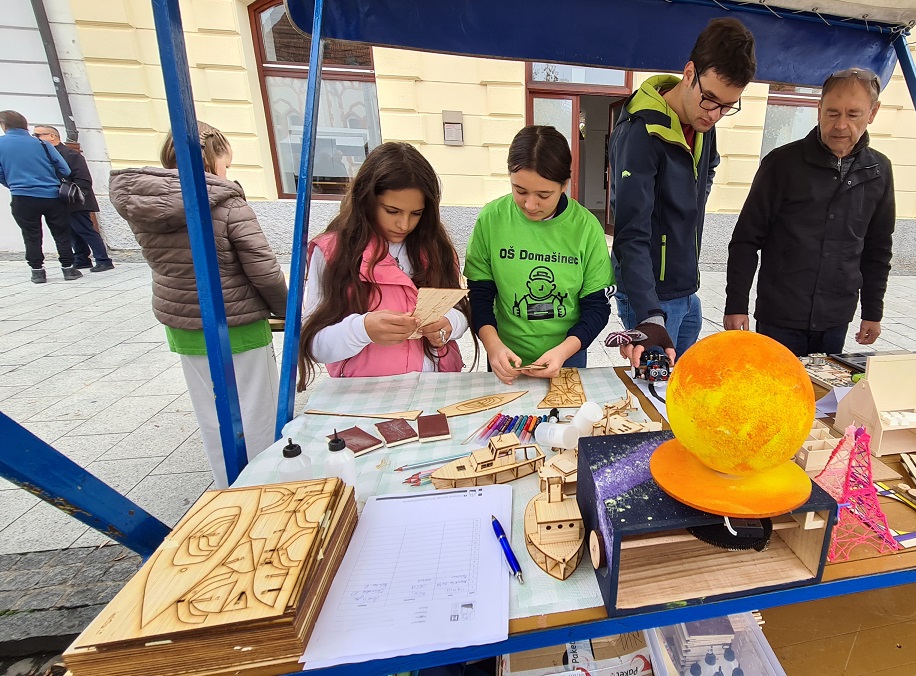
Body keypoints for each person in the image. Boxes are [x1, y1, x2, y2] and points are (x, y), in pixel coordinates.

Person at [109, 121, 288, 488]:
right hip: (236, 322)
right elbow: (263, 268)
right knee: (259, 411)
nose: (227, 173)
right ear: (212, 161)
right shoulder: (227, 202)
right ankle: (267, 486)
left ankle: (228, 486)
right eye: (226, 164)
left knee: (212, 415)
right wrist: (286, 309)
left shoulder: (141, 203)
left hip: (183, 323)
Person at [608, 18, 756, 366]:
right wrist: (649, 314)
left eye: (728, 106)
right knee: (656, 389)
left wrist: (691, 204)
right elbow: (630, 235)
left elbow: (710, 165)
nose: (716, 114)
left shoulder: (704, 122)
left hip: (686, 287)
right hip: (651, 294)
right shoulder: (641, 132)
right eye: (711, 99)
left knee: (686, 383)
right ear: (690, 73)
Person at [724, 67, 895, 357]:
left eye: (853, 114)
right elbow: (746, 240)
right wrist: (736, 305)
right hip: (780, 314)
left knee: (824, 386)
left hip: (835, 317)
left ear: (872, 113)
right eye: (832, 113)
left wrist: (872, 311)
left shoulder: (878, 170)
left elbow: (878, 249)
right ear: (819, 110)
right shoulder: (782, 164)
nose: (841, 125)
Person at [298, 142, 469, 389]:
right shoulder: (333, 252)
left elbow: (459, 309)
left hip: (435, 388)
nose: (404, 224)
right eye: (392, 211)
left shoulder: (436, 248)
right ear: (366, 200)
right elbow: (314, 344)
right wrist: (362, 330)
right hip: (366, 394)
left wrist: (450, 323)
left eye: (416, 213)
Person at [464, 126, 614, 385]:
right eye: (520, 191)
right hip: (504, 355)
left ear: (564, 185)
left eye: (543, 195)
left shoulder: (586, 228)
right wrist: (493, 345)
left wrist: (564, 351)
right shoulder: (492, 219)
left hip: (567, 355)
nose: (530, 205)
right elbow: (479, 295)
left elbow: (597, 306)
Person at [0, 110, 79, 284]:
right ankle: (68, 269)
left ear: (4, 125)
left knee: (31, 234)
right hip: (52, 196)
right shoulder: (42, 144)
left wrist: (13, 183)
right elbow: (64, 169)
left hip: (22, 197)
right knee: (61, 233)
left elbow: (0, 173)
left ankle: (37, 271)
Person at [33, 125, 114, 272]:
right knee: (71, 232)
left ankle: (103, 259)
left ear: (52, 136)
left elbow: (83, 179)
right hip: (60, 200)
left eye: (38, 135)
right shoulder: (46, 155)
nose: (35, 138)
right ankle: (82, 259)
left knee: (85, 229)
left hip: (75, 199)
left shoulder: (70, 154)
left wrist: (74, 195)